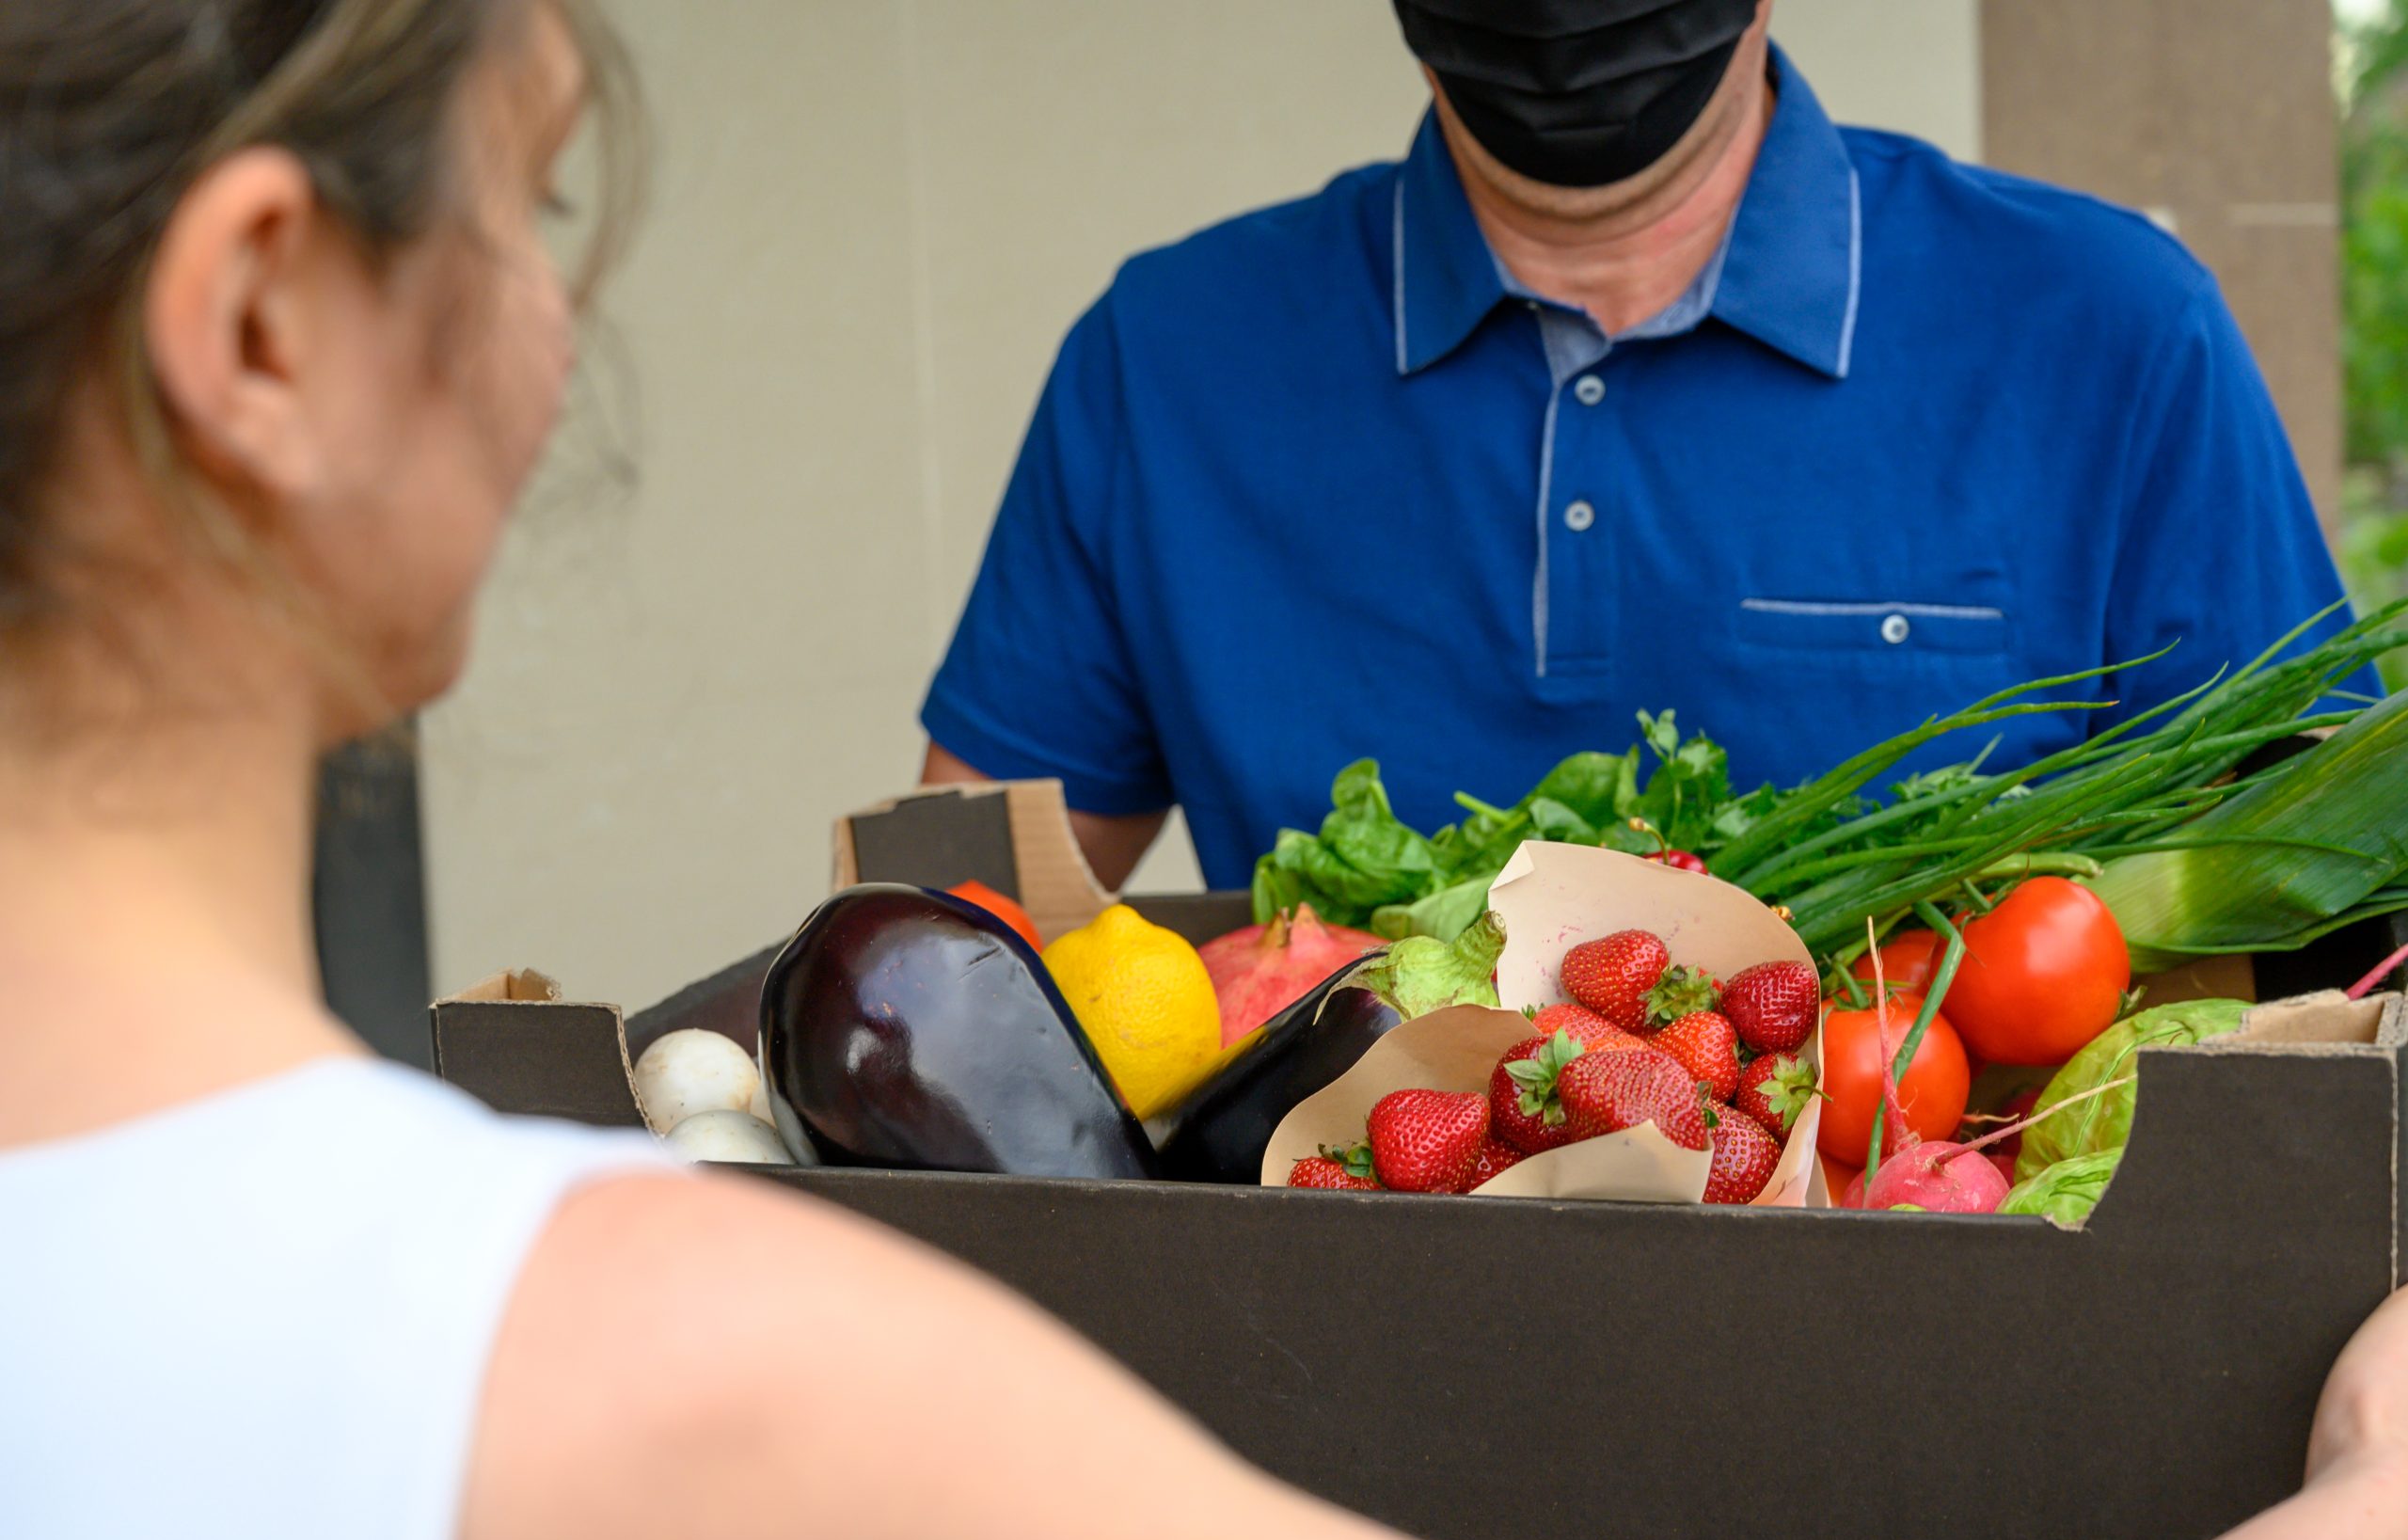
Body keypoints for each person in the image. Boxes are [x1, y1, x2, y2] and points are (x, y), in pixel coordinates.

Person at [1, 4, 2401, 1540]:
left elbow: (2325, 960)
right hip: (1328, 1387)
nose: (557, 332)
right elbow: (949, 945)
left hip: (1975, 1438)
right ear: (259, 324)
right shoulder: (665, 1369)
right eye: (531, 210)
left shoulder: (2105, 332)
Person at [921, 0, 2375, 894]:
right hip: (1337, 1318)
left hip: (1951, 1318)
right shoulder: (1166, 357)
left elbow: (2327, 913)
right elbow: (946, 906)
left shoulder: (2107, 331)